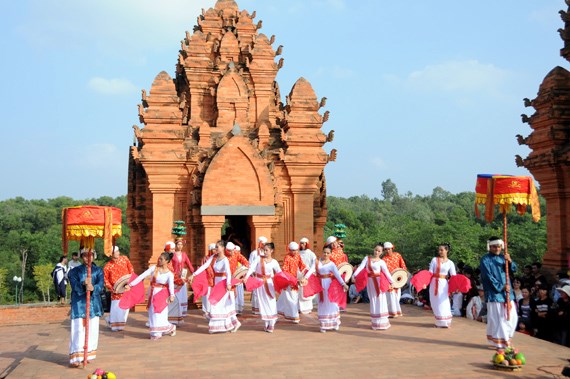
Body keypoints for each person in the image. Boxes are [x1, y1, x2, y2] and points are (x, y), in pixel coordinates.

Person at [190, 240, 240, 334]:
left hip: (223, 283)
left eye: (217, 247)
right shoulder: (213, 257)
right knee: (218, 305)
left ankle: (223, 326)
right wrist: (194, 274)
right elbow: (205, 266)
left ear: (223, 248)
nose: (215, 248)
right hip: (216, 283)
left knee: (219, 305)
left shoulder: (225, 259)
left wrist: (228, 283)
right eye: (215, 247)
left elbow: (228, 273)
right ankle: (226, 325)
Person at [127, 251, 177, 340]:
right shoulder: (154, 268)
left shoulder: (169, 274)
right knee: (152, 311)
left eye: (161, 259)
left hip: (162, 294)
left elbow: (171, 285)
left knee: (160, 312)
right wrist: (130, 284)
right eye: (159, 258)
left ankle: (158, 332)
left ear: (167, 261)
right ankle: (165, 329)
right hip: (152, 292)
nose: (159, 260)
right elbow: (142, 276)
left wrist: (172, 295)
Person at [479, 237, 518, 349]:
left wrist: (510, 261)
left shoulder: (503, 257)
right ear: (490, 247)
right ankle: (503, 342)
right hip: (495, 293)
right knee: (500, 319)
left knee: (512, 317)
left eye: (499, 246)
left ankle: (505, 338)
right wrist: (501, 287)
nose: (497, 249)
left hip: (507, 293)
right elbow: (487, 277)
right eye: (494, 246)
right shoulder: (485, 259)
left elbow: (514, 270)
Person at [68, 250, 104, 367]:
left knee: (92, 330)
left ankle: (88, 355)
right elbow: (74, 285)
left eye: (90, 255)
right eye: (85, 256)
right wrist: (83, 284)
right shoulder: (74, 271)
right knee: (78, 330)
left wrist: (93, 288)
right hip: (79, 304)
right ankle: (76, 358)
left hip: (93, 304)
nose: (87, 258)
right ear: (81, 257)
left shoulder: (98, 271)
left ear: (94, 256)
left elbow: (101, 285)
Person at [352, 244, 394, 330]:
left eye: (379, 251)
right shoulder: (367, 259)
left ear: (381, 252)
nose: (377, 252)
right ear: (373, 250)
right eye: (376, 250)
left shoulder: (382, 262)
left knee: (381, 299)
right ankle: (375, 323)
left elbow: (386, 272)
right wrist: (354, 275)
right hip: (370, 282)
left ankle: (383, 323)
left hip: (379, 282)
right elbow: (360, 267)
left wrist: (392, 282)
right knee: (373, 299)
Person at [244, 242, 282, 332]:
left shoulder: (274, 262)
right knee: (262, 302)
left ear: (271, 251)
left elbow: (280, 273)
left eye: (266, 250)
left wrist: (286, 281)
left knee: (271, 301)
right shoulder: (258, 258)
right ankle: (266, 323)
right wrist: (246, 277)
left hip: (269, 284)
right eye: (264, 250)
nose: (264, 252)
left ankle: (271, 323)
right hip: (260, 283)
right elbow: (252, 268)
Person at [313, 246, 349, 333]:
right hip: (320, 284)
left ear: (330, 254)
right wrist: (305, 278)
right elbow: (311, 270)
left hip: (329, 284)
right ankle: (324, 325)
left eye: (328, 253)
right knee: (322, 303)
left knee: (331, 302)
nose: (326, 254)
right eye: (324, 252)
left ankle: (334, 323)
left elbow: (337, 275)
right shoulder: (318, 262)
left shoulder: (332, 264)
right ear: (322, 252)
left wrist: (343, 284)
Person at [276, 241, 312, 323]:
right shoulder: (287, 257)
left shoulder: (298, 256)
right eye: (293, 250)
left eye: (296, 250)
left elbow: (302, 265)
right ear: (289, 250)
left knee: (290, 297)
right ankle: (294, 315)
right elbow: (285, 269)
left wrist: (307, 272)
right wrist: (289, 279)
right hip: (288, 280)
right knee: (291, 298)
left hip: (295, 279)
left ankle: (281, 311)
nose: (295, 252)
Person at [102, 246, 134, 331]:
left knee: (125, 309)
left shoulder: (125, 259)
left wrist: (130, 283)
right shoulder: (107, 266)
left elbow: (131, 270)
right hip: (116, 290)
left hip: (126, 288)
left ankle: (114, 322)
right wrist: (112, 288)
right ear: (111, 254)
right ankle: (115, 325)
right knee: (116, 308)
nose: (118, 253)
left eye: (118, 251)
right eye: (115, 252)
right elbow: (105, 280)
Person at [428, 243, 456, 328]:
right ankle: (439, 321)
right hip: (434, 283)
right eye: (439, 250)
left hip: (444, 284)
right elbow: (430, 272)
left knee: (443, 301)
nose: (440, 251)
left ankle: (445, 321)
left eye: (442, 250)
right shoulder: (434, 260)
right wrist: (425, 282)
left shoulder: (450, 263)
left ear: (446, 250)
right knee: (435, 301)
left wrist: (455, 286)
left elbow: (453, 275)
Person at [170, 238, 195, 324]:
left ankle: (182, 312)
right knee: (176, 294)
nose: (180, 246)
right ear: (175, 245)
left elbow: (189, 264)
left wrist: (194, 274)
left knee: (182, 294)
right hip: (175, 277)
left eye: (181, 245)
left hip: (183, 277)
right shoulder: (172, 255)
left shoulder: (184, 254)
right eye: (178, 244)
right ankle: (176, 311)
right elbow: (170, 266)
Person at [381, 241, 408, 318]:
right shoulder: (383, 259)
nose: (387, 251)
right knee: (390, 297)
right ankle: (390, 313)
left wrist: (404, 276)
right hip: (388, 280)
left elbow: (403, 266)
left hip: (398, 279)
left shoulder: (397, 255)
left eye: (389, 249)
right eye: (386, 249)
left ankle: (397, 312)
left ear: (392, 248)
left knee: (397, 296)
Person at [225, 242, 249, 314]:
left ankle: (232, 311)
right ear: (226, 250)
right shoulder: (223, 256)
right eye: (229, 251)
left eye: (232, 250)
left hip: (234, 278)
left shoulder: (236, 254)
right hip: (224, 278)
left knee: (233, 294)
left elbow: (245, 262)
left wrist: (243, 270)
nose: (232, 252)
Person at [298, 237, 317, 314]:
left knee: (308, 291)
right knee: (300, 292)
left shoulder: (311, 254)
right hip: (300, 274)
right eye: (301, 243)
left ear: (307, 244)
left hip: (308, 274)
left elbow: (313, 265)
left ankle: (308, 308)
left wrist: (309, 273)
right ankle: (300, 308)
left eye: (303, 243)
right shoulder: (298, 253)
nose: (302, 245)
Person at [200, 243, 217, 320]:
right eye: (213, 249)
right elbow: (202, 269)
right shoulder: (205, 258)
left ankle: (212, 310)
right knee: (206, 295)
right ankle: (206, 310)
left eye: (215, 249)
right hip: (207, 279)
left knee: (213, 295)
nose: (214, 251)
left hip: (215, 279)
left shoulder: (217, 258)